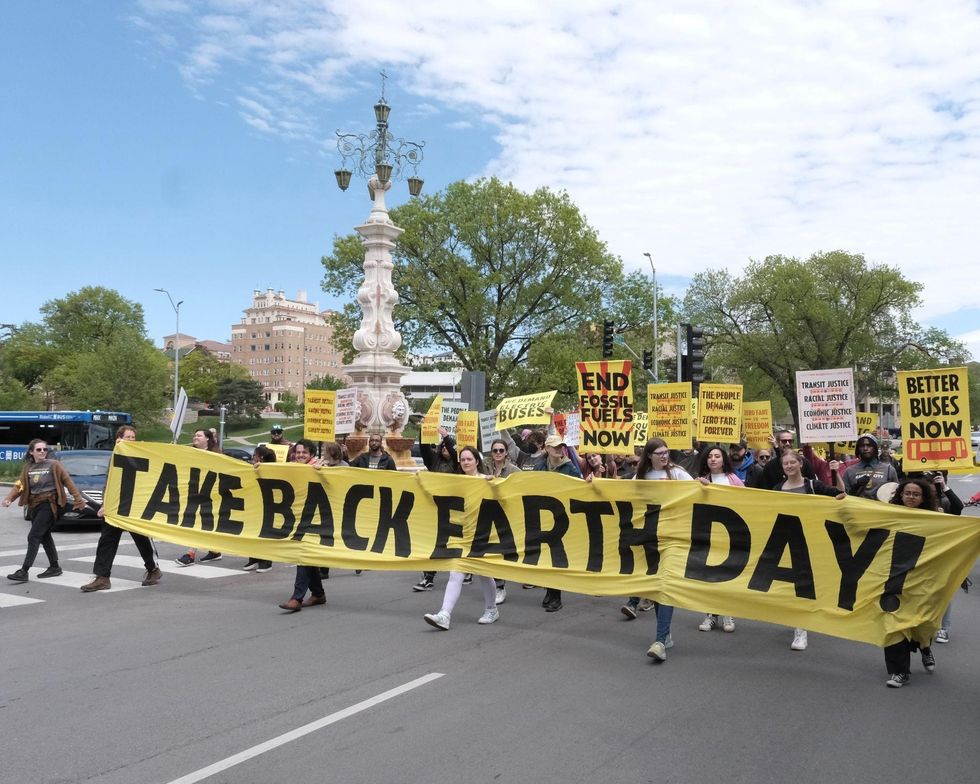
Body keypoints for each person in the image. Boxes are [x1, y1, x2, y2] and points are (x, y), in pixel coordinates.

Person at [773, 449, 845, 651]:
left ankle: (802, 627)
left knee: (804, 585)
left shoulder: (813, 486)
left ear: (800, 464)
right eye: (785, 463)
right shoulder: (777, 489)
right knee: (791, 587)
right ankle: (799, 623)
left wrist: (836, 473)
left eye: (792, 462)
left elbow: (840, 494)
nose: (789, 466)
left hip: (811, 540)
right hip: (786, 541)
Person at [423, 446, 500, 630]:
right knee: (456, 572)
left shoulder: (486, 480)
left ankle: (491, 609)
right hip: (462, 534)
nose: (466, 462)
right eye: (463, 459)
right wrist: (421, 479)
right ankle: (444, 614)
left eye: (469, 459)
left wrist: (494, 484)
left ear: (477, 461)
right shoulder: (456, 481)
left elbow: (503, 498)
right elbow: (437, 490)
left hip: (483, 534)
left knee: (484, 573)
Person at [632, 439, 694, 661]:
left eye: (666, 452)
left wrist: (704, 484)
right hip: (650, 538)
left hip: (674, 538)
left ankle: (659, 642)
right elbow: (620, 494)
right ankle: (665, 635)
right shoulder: (640, 477)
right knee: (657, 586)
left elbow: (696, 490)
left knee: (666, 585)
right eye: (659, 453)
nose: (664, 456)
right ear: (649, 455)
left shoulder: (677, 473)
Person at [80, 426, 162, 592]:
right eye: (127, 437)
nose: (131, 440)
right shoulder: (115, 456)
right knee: (107, 540)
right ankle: (102, 577)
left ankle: (153, 568)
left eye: (133, 437)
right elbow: (110, 481)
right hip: (115, 505)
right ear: (119, 438)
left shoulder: (141, 455)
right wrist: (105, 503)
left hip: (133, 505)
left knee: (141, 538)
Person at [3, 439, 86, 582]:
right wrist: (9, 498)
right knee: (45, 536)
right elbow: (20, 485)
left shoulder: (54, 464)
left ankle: (24, 571)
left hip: (49, 504)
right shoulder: (28, 467)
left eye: (45, 449)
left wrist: (78, 499)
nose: (42, 452)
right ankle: (55, 567)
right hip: (33, 505)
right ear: (31, 452)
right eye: (39, 450)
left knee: (34, 536)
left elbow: (68, 482)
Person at [277, 440, 339, 612]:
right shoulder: (293, 468)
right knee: (307, 557)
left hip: (318, 520)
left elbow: (335, 486)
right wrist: (259, 468)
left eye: (304, 452)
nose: (300, 455)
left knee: (303, 554)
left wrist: (323, 473)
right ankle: (318, 594)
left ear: (311, 454)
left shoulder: (321, 467)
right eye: (298, 452)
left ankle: (296, 598)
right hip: (301, 519)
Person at [695, 446, 744, 633]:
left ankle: (727, 613)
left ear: (724, 460)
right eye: (710, 456)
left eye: (717, 456)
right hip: (708, 534)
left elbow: (746, 500)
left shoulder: (733, 480)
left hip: (730, 534)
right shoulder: (701, 480)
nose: (713, 459)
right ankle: (710, 614)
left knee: (726, 575)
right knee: (708, 576)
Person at [533, 433, 581, 612]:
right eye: (555, 446)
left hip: (561, 518)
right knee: (546, 557)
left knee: (556, 557)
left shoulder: (570, 468)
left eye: (561, 446)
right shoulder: (539, 467)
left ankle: (556, 596)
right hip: (543, 516)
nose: (559, 449)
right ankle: (550, 590)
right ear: (547, 449)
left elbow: (579, 489)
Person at [175, 429, 223, 566]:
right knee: (203, 522)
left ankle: (190, 554)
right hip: (193, 491)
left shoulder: (215, 455)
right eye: (195, 435)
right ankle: (214, 551)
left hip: (210, 493)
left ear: (207, 438)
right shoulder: (190, 453)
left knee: (199, 522)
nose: (195, 437)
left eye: (199, 435)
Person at [242, 446, 277, 573]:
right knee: (252, 532)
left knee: (264, 533)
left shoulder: (272, 469)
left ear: (260, 457)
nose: (252, 458)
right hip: (254, 505)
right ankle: (253, 558)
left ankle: (266, 561)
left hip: (266, 506)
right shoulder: (252, 468)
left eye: (254, 455)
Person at [840, 434, 899, 499]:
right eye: (862, 446)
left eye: (869, 445)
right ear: (858, 449)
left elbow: (896, 495)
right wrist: (855, 487)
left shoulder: (889, 469)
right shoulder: (849, 471)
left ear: (875, 448)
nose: (865, 448)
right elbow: (843, 496)